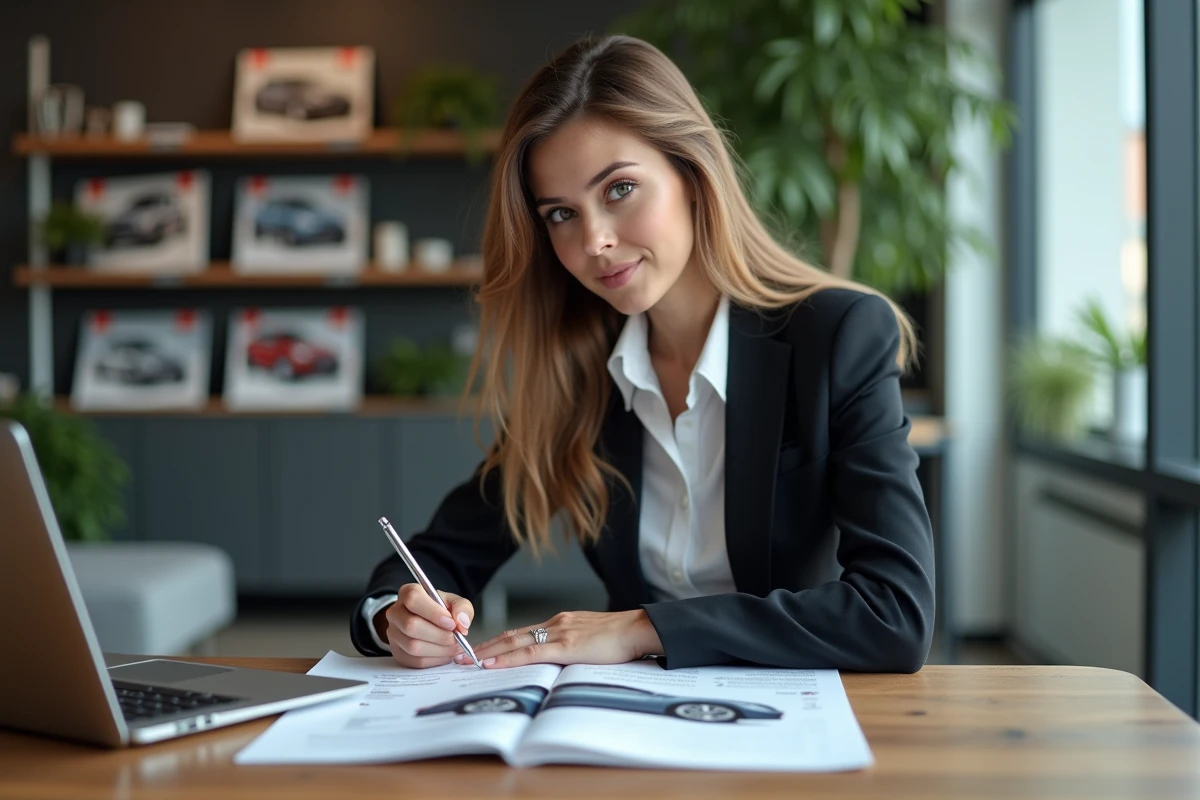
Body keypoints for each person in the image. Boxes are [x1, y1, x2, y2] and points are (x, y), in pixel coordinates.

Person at [351, 34, 935, 673]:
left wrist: (642, 628)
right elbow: (437, 556)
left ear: (691, 174)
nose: (594, 240)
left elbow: (895, 614)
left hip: (790, 720)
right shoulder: (579, 371)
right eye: (560, 214)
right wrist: (395, 618)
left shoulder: (838, 335)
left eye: (620, 189)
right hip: (623, 724)